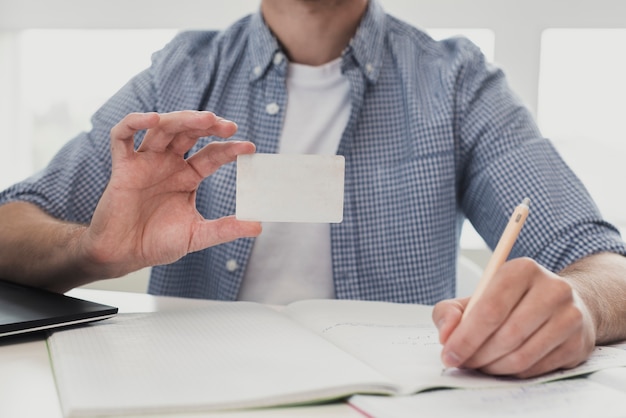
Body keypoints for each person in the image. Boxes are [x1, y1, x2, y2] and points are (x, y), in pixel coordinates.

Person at [0, 0, 625, 379]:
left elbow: (605, 264)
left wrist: (578, 304)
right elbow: (10, 222)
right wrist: (93, 249)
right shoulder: (181, 74)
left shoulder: (457, 84)